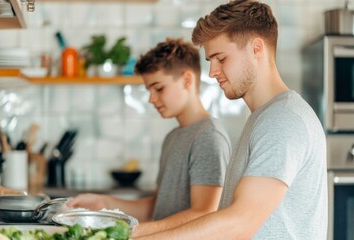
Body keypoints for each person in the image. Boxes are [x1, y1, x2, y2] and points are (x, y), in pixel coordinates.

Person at [131, 0, 328, 239]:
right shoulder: (264, 117)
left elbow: (240, 223)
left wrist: (132, 236)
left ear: (256, 49)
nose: (212, 71)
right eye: (210, 61)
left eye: (221, 59)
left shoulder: (282, 119)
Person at [66, 38, 232, 237]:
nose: (151, 98)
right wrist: (103, 204)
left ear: (187, 80)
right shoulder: (173, 137)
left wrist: (128, 232)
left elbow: (204, 213)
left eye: (159, 88)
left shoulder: (208, 136)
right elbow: (155, 208)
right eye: (149, 90)